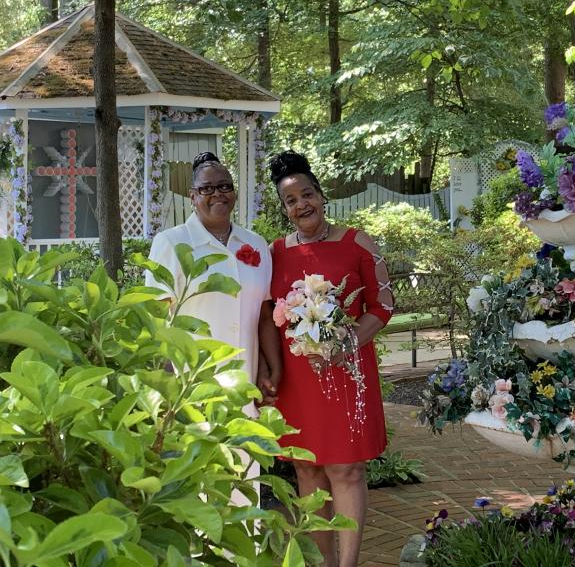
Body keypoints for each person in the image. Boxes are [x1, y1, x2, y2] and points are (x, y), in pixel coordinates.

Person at [260, 150, 393, 567]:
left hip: (347, 372)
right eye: (291, 201)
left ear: (321, 195)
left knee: (346, 469)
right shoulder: (274, 253)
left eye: (307, 195)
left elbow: (383, 305)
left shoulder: (356, 242)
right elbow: (265, 314)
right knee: (308, 471)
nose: (301, 205)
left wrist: (344, 344)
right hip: (298, 380)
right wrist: (269, 370)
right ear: (284, 209)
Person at [145, 150, 282, 421]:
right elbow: (156, 318)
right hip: (190, 384)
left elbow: (264, 315)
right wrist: (165, 383)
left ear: (234, 193)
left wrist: (268, 367)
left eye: (224, 186)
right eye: (206, 188)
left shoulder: (255, 244)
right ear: (192, 196)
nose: (217, 194)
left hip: (244, 382)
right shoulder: (171, 243)